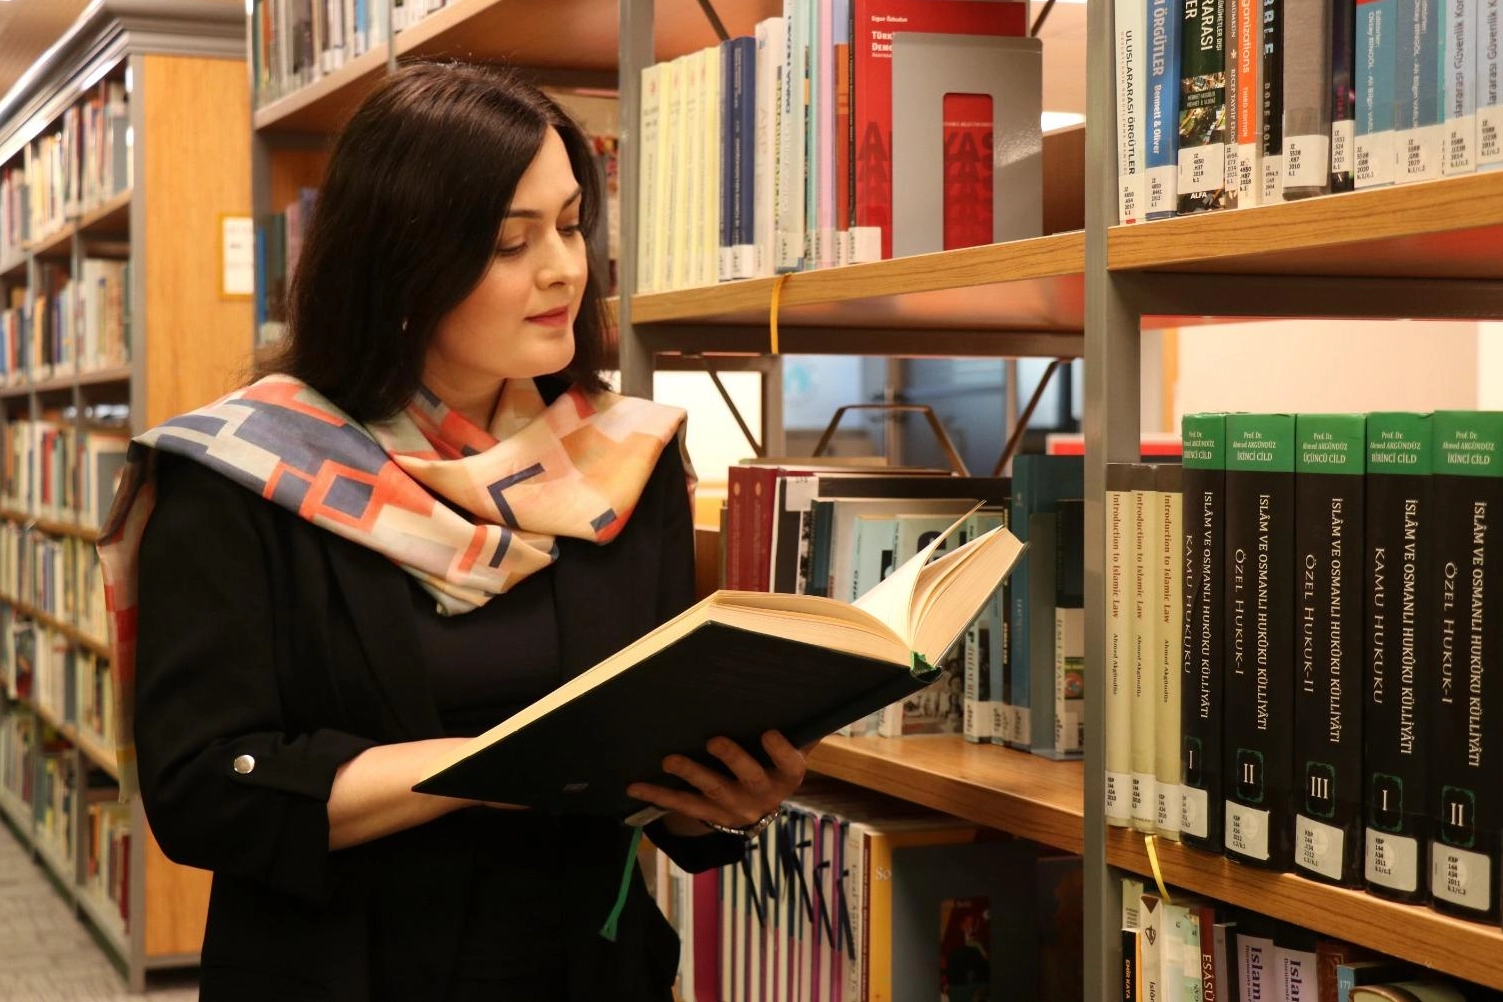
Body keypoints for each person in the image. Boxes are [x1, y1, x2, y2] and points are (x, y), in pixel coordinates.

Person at [96, 62, 807, 1002]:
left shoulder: (625, 461)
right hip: (341, 975)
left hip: (589, 972)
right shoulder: (246, 475)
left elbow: (648, 767)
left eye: (570, 225)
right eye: (511, 242)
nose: (563, 268)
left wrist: (720, 803)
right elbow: (201, 792)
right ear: (400, 262)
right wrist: (489, 765)